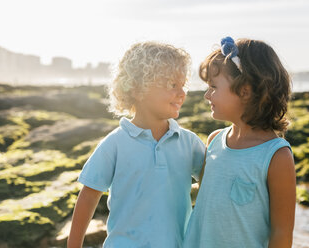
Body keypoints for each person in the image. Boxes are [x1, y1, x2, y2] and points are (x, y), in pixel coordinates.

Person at [67, 41, 206, 248]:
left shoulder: (190, 143)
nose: (182, 93)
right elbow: (88, 196)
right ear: (138, 89)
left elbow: (212, 185)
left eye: (182, 84)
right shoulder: (115, 143)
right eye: (171, 85)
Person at [183, 37, 296, 248]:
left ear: (244, 91)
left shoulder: (276, 156)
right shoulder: (214, 140)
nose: (207, 95)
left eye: (214, 87)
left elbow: (281, 233)